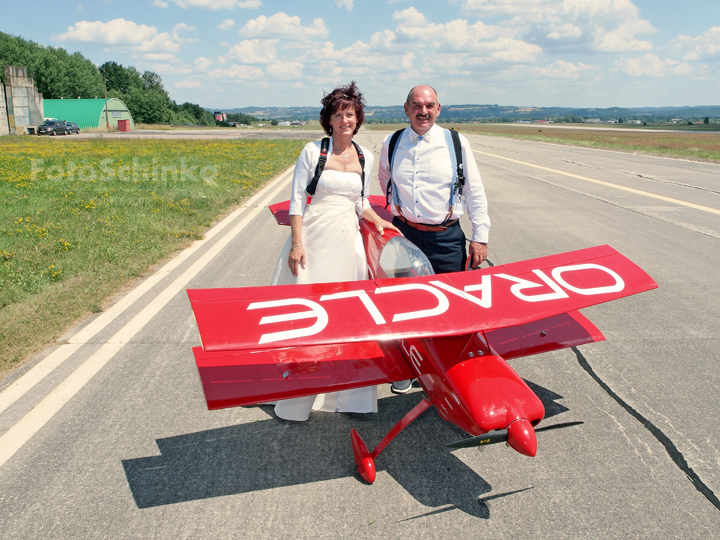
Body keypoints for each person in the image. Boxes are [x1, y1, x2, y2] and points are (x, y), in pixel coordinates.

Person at [270, 81, 398, 421]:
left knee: (348, 317)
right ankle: (296, 397)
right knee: (309, 316)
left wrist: (379, 222)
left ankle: (351, 398)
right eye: (339, 114)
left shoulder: (364, 156)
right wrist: (297, 244)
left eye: (351, 114)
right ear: (329, 119)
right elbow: (298, 201)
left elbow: (360, 203)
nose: (345, 120)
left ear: (358, 120)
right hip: (313, 239)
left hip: (347, 242)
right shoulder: (314, 152)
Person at [378, 84, 490, 394]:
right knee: (404, 306)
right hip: (406, 234)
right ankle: (408, 368)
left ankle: (452, 371)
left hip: (445, 238)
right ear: (406, 109)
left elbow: (474, 190)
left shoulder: (456, 143)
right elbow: (384, 179)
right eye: (416, 105)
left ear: (438, 109)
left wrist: (480, 236)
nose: (423, 111)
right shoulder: (393, 141)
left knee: (451, 308)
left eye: (429, 105)